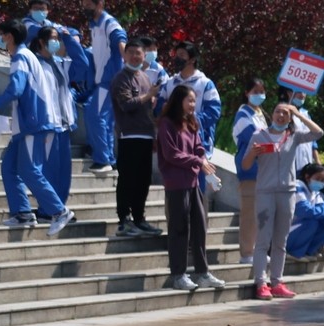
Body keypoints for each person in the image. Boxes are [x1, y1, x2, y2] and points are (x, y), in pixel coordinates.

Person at [0, 19, 75, 234]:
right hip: (27, 124)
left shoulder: (21, 56)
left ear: (8, 36)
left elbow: (16, 88)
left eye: (1, 34)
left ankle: (59, 211)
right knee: (9, 167)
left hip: (33, 123)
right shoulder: (27, 55)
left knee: (29, 169)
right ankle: (22, 213)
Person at [241, 102, 324, 300]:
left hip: (287, 193)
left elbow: (318, 133)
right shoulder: (258, 135)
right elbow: (245, 165)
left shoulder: (293, 136)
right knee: (263, 240)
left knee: (281, 241)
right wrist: (253, 153)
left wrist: (299, 114)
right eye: (278, 111)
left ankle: (277, 282)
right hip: (265, 193)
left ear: (290, 118)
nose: (281, 115)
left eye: (286, 113)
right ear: (272, 114)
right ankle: (261, 283)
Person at [157, 84, 223, 291]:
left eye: (195, 100)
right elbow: (171, 154)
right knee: (179, 228)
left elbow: (198, 147)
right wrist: (197, 160)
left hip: (194, 182)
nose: (193, 104)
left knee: (199, 227)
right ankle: (178, 275)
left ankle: (202, 272)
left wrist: (203, 161)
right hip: (176, 184)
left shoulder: (191, 122)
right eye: (190, 100)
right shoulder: (167, 124)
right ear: (179, 101)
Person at [110, 39, 160, 238]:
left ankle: (139, 218)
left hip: (146, 135)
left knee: (143, 180)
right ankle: (124, 220)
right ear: (125, 55)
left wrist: (154, 134)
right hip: (128, 135)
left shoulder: (145, 77)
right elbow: (126, 104)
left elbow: (148, 109)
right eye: (131, 52)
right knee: (127, 179)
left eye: (139, 53)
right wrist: (149, 96)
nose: (135, 56)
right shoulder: (121, 78)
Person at [31, 26, 76, 214]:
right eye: (53, 38)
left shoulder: (60, 63)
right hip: (48, 125)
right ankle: (47, 209)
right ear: (41, 41)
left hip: (64, 125)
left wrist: (70, 38)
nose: (57, 42)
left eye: (58, 38)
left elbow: (82, 64)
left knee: (64, 172)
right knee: (49, 170)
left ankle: (60, 208)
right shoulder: (35, 64)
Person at [81, 0, 125, 175]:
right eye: (83, 4)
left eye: (88, 4)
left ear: (100, 4)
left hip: (110, 81)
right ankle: (110, 160)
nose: (85, 7)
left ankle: (102, 159)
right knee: (105, 122)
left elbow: (121, 43)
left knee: (94, 114)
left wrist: (133, 70)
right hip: (104, 81)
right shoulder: (94, 25)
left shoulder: (109, 23)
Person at [158, 41, 221, 156]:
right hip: (173, 142)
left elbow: (213, 112)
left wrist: (190, 122)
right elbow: (159, 108)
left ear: (192, 59)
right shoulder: (170, 83)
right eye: (176, 55)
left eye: (182, 55)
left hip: (198, 145)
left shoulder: (205, 84)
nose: (177, 58)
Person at [232, 78, 267, 265]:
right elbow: (256, 138)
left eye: (262, 91)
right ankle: (246, 253)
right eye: (255, 91)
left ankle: (258, 249)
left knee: (261, 214)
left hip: (263, 170)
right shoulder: (243, 115)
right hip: (249, 170)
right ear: (246, 93)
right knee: (249, 213)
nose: (259, 95)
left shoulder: (260, 113)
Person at [278, 87, 320, 176]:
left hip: (307, 167)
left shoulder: (305, 114)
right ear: (289, 93)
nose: (302, 95)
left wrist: (318, 162)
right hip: (291, 167)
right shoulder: (282, 114)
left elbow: (313, 142)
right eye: (299, 91)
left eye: (305, 91)